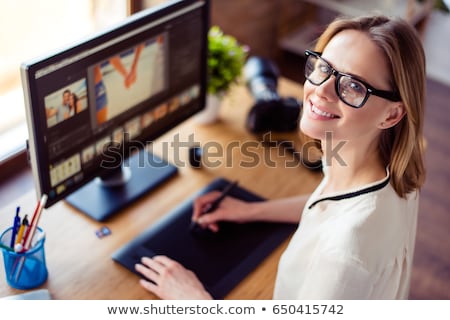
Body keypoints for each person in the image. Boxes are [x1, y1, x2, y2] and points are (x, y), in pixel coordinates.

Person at [135, 14, 426, 299]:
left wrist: (193, 299)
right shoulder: (384, 164)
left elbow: (343, 235)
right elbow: (332, 208)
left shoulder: (341, 260)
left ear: (391, 114)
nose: (320, 90)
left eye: (353, 86)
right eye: (324, 67)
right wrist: (252, 211)